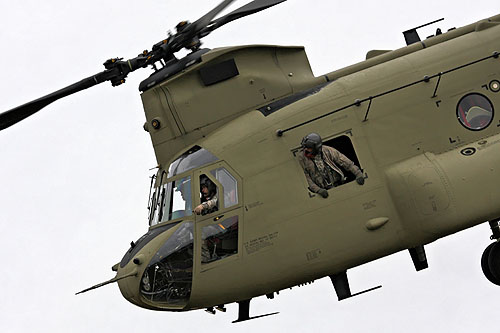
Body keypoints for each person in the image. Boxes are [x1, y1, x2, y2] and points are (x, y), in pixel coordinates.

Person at [298, 133, 364, 198]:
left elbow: (346, 162)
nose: (306, 150)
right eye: (305, 147)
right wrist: (318, 190)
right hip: (323, 190)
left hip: (338, 184)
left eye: (309, 147)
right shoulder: (302, 158)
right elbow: (307, 177)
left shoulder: (327, 150)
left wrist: (358, 173)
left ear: (316, 148)